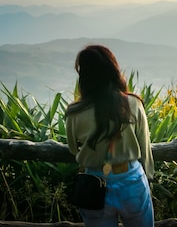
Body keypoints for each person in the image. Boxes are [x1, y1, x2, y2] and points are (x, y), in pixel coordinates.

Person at [66, 44, 154, 227]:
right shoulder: (132, 104)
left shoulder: (74, 112)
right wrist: (149, 178)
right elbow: (145, 148)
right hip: (131, 181)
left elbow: (74, 149)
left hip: (93, 184)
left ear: (84, 75)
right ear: (113, 70)